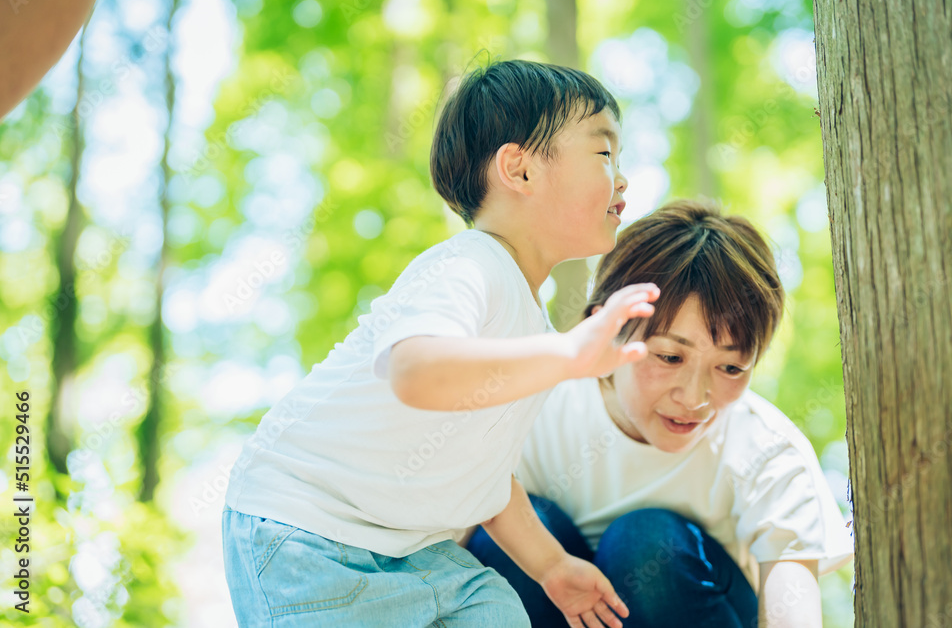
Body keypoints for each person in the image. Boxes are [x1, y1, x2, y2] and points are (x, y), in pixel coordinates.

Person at [222, 59, 658, 628]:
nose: (621, 178)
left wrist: (553, 566)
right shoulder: (469, 265)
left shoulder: (531, 325)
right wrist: (568, 357)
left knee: (496, 610)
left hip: (408, 550)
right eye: (603, 154)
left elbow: (486, 476)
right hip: (305, 533)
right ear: (519, 170)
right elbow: (416, 371)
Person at [466, 200, 854, 627]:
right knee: (510, 522)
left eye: (730, 367)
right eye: (670, 357)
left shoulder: (766, 449)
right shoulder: (534, 409)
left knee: (645, 541)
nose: (695, 398)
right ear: (607, 332)